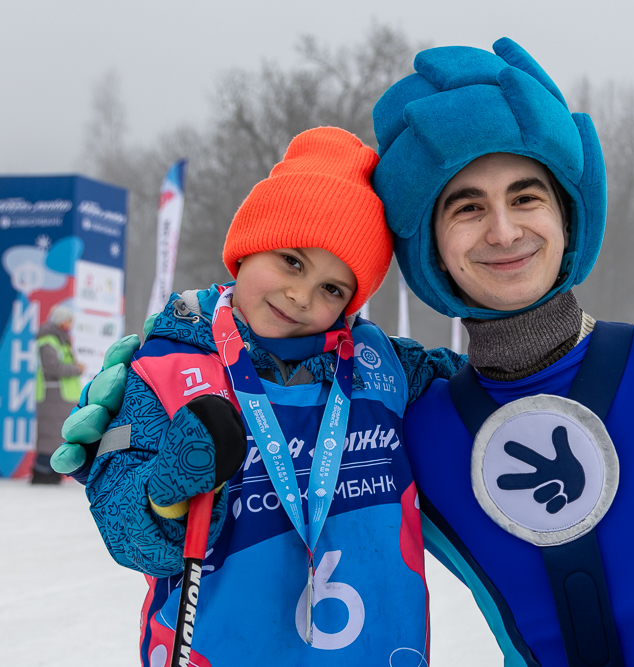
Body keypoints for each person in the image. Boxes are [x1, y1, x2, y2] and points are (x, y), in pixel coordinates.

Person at [62, 40, 634, 666]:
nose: (503, 229)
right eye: (466, 206)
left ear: (567, 217)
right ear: (430, 245)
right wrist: (171, 361)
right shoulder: (415, 419)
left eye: (527, 195)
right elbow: (270, 425)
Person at [73, 128, 461, 667]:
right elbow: (123, 526)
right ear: (249, 246)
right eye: (292, 261)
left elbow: (492, 392)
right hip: (218, 646)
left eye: (333, 288)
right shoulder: (166, 365)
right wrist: (164, 497)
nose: (301, 296)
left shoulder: (387, 368)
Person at [32, 304, 83, 484]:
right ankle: (43, 472)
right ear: (61, 321)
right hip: (53, 395)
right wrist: (75, 369)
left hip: (60, 396)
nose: (70, 325)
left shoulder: (59, 339)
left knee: (56, 435)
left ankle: (51, 472)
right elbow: (52, 367)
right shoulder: (49, 340)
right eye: (68, 321)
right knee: (50, 434)